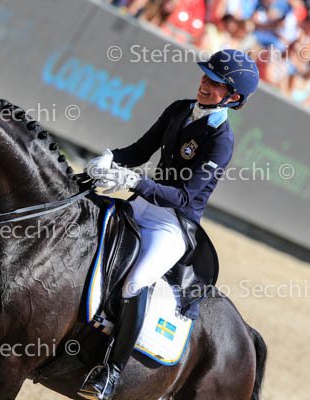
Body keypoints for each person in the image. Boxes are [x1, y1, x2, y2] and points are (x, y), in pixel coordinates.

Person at [77, 49, 260, 400]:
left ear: (233, 98)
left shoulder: (221, 141)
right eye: (206, 75)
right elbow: (140, 150)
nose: (205, 83)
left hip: (173, 224)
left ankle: (111, 371)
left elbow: (185, 196)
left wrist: (135, 181)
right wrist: (111, 158)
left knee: (136, 281)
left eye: (215, 82)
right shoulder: (179, 109)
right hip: (141, 203)